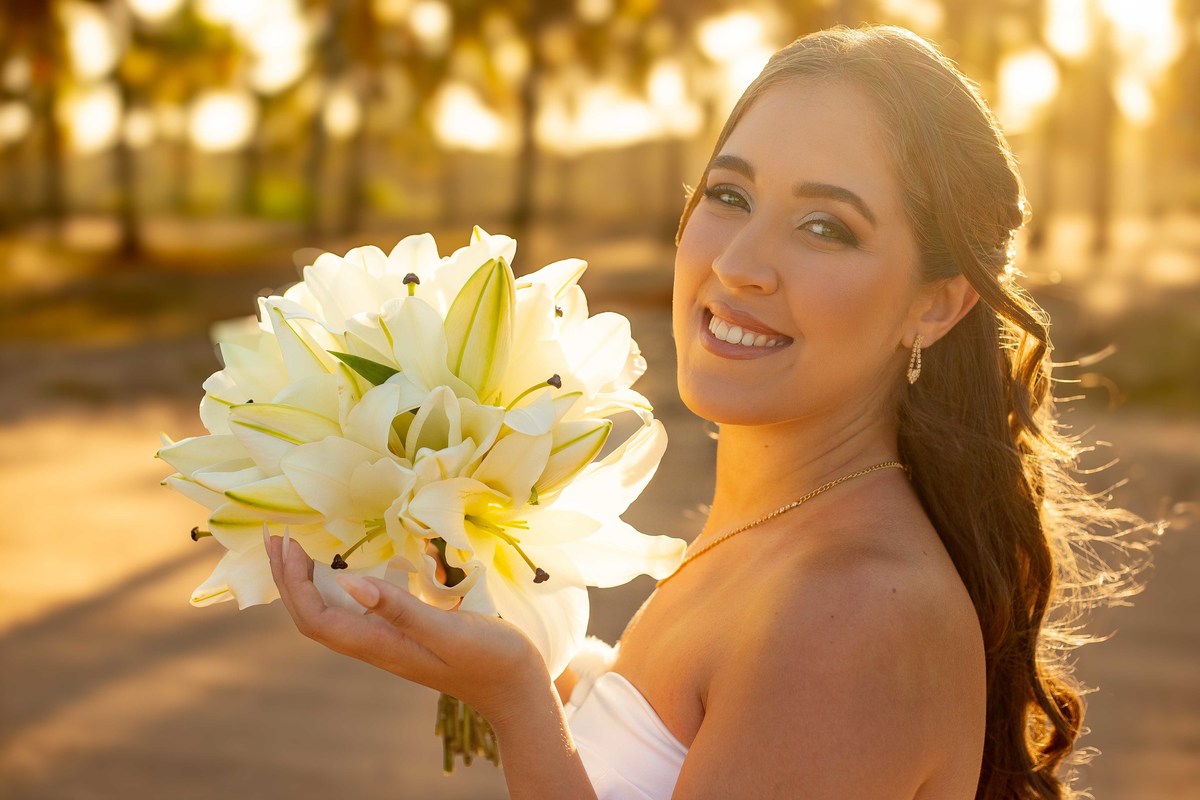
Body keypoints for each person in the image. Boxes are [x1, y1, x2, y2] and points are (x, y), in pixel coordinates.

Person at [264, 24, 1141, 799]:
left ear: (936, 305)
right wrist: (496, 619)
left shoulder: (858, 609)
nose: (741, 264)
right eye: (729, 196)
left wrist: (518, 701)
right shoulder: (774, 540)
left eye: (826, 227)